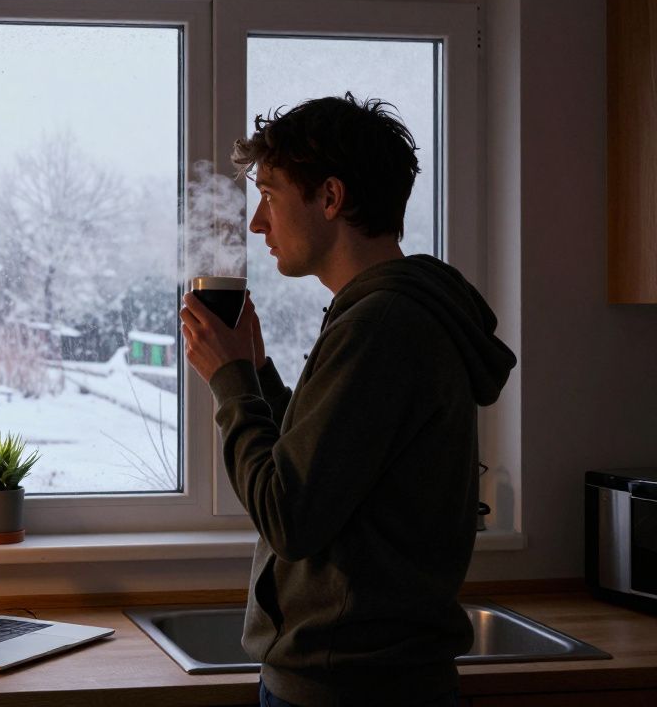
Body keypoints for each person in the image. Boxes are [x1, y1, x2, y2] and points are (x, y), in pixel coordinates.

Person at [178, 93, 517, 707]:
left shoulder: (382, 325)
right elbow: (331, 468)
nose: (258, 223)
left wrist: (229, 382)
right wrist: (257, 373)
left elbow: (289, 515)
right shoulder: (387, 315)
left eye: (271, 195)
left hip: (349, 690)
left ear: (330, 198)